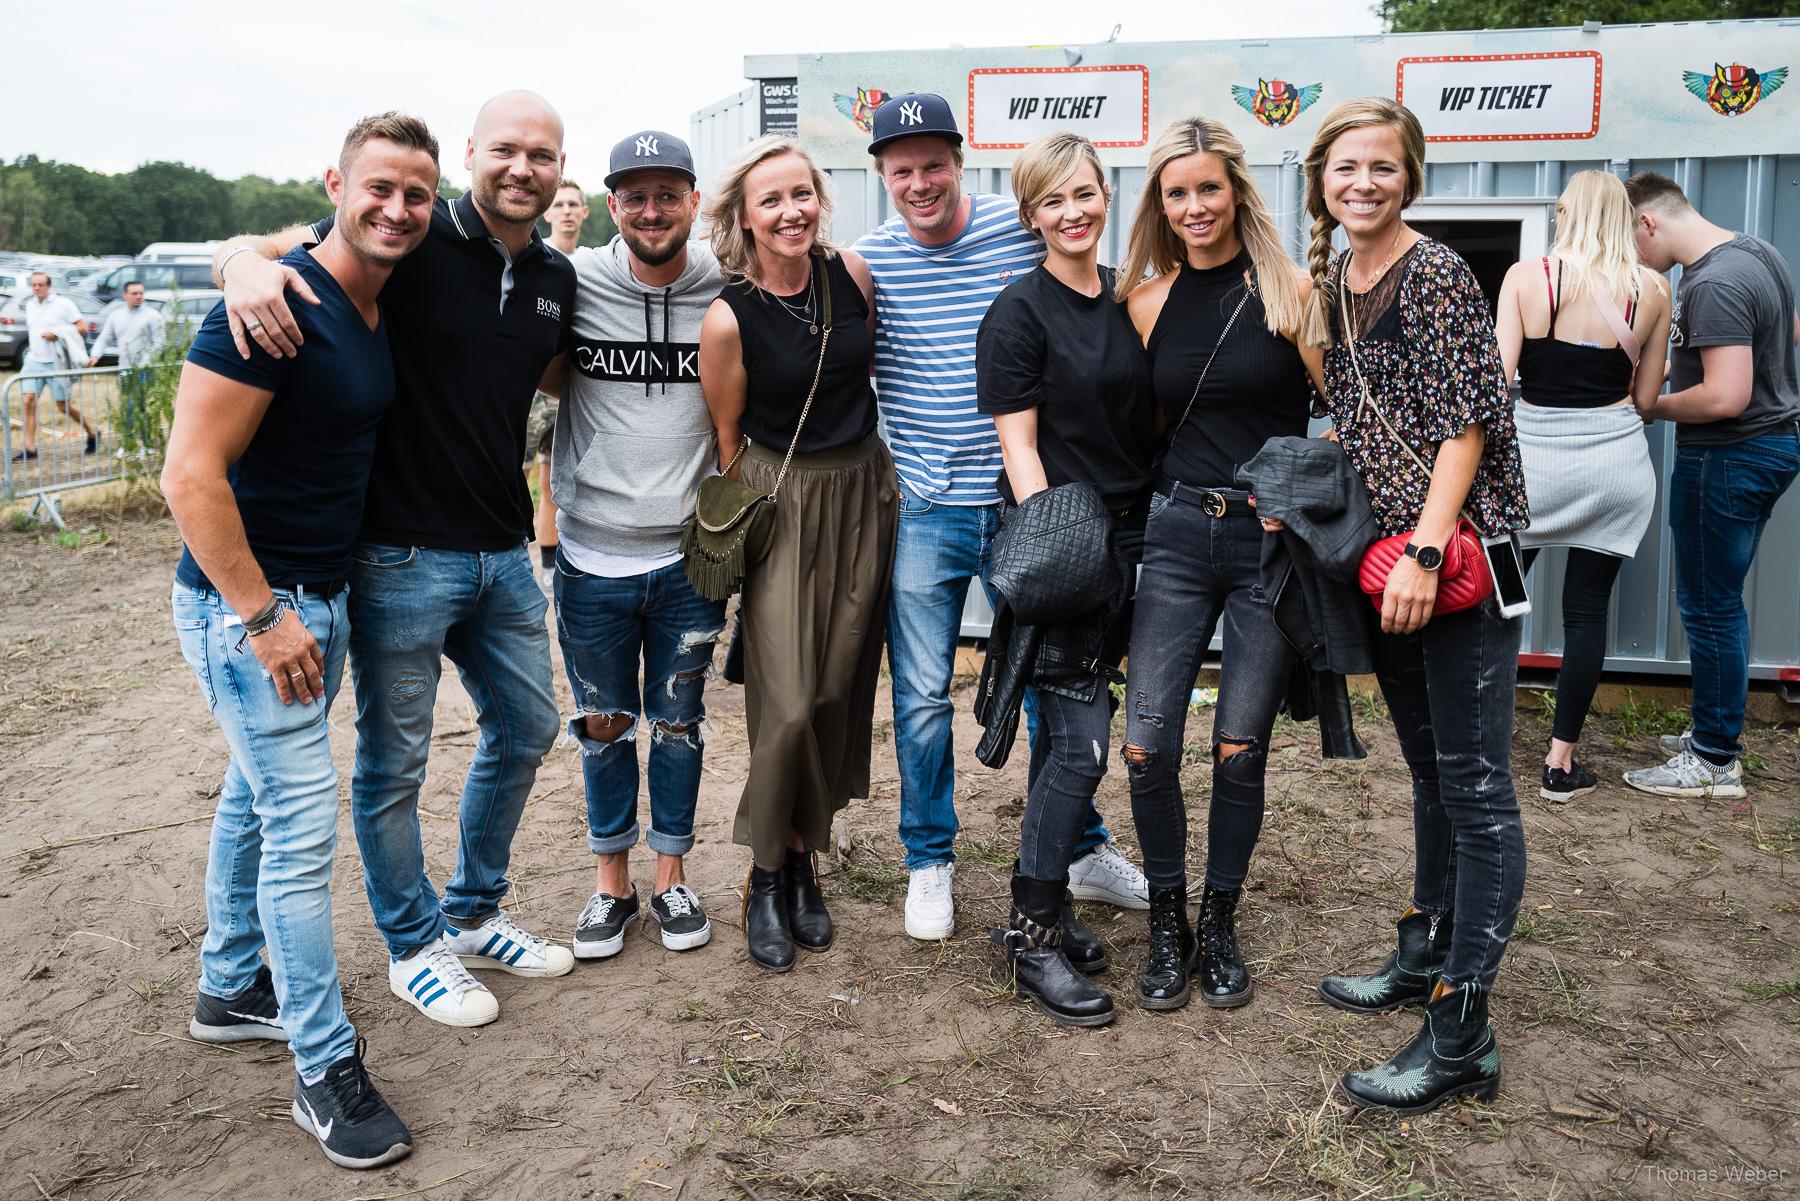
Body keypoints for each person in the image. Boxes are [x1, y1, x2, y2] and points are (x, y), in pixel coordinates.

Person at [215, 90, 578, 1029]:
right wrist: (236, 264)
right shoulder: (414, 239)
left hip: (503, 551)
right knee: (395, 765)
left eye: (542, 156)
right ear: (471, 155)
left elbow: (546, 373)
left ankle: (473, 911)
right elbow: (293, 250)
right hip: (400, 556)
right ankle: (414, 946)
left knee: (529, 727)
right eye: (506, 151)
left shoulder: (552, 275)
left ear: (559, 169)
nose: (523, 169)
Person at [161, 112, 439, 1170]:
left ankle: (232, 984)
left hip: (314, 601)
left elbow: (271, 235)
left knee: (255, 795)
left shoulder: (364, 292)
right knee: (301, 826)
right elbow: (187, 477)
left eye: (417, 194)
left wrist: (243, 248)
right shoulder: (268, 309)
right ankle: (324, 1069)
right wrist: (266, 615)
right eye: (379, 188)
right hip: (252, 610)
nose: (397, 209)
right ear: (337, 182)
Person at [854, 92, 1148, 943]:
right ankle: (929, 860)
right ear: (882, 175)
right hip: (929, 506)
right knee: (918, 693)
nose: (920, 183)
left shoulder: (1017, 229)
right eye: (901, 170)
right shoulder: (869, 260)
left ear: (960, 161)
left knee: (1057, 686)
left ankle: (1082, 849)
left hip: (1030, 506)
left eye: (934, 164)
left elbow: (1086, 276)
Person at [1297, 98, 1529, 1112]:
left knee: (1476, 786)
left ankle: (1462, 1027)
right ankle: (1421, 951)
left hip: (1460, 553)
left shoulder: (1434, 272)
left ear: (1412, 176)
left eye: (1382, 168)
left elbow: (1468, 424)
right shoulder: (1334, 278)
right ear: (1320, 178)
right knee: (1431, 770)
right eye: (1346, 168)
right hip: (1395, 555)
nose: (1363, 183)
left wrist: (1429, 550)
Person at [1114, 117, 1325, 1011]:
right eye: (1176, 192)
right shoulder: (1147, 300)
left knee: (1241, 747)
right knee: (1145, 743)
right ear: (1159, 204)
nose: (1194, 206)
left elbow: (1343, 411)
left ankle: (1222, 918)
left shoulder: (1291, 289)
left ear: (1236, 189)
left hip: (1265, 548)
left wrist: (1302, 495)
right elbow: (1149, 428)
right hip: (1174, 538)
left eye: (1208, 188)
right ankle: (1169, 919)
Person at [697, 135, 897, 973]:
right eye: (771, 200)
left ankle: (807, 857)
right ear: (744, 217)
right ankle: (765, 874)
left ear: (821, 197)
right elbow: (728, 438)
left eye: (802, 194)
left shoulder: (851, 276)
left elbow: (867, 374)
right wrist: (758, 523)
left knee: (832, 692)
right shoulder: (727, 314)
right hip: (783, 499)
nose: (791, 211)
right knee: (782, 700)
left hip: (863, 491)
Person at [976, 132, 1156, 1028]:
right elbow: (1019, 448)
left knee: (1068, 742)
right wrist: (1067, 557)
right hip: (1067, 547)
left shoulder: (1128, 299)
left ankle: (1047, 901)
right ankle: (1029, 932)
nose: (1074, 211)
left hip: (1137, 546)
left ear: (1105, 196)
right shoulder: (1020, 311)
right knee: (1083, 744)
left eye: (1085, 193)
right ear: (1031, 214)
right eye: (1054, 201)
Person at [537, 131, 725, 960]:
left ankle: (672, 876)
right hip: (591, 554)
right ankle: (611, 887)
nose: (652, 210)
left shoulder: (728, 280)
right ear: (612, 206)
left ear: (693, 199)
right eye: (634, 196)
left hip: (690, 555)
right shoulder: (572, 283)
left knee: (679, 723)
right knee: (604, 727)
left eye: (667, 193)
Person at [1620, 172, 1800, 799]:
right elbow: (1778, 333)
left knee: (1710, 606)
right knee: (1721, 599)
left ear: (1649, 223)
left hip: (1728, 457)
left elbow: (1726, 396)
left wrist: (1646, 405)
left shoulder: (1713, 282)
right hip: (1772, 445)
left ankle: (1715, 760)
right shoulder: (1753, 252)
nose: (1631, 259)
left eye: (1628, 243)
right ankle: (1715, 729)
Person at [1495, 171, 1671, 802]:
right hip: (1614, 473)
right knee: (1586, 614)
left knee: (1501, 601)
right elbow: (1647, 399)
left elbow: (1499, 382)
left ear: (1565, 213)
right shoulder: (1652, 288)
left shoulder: (1526, 277)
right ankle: (1560, 762)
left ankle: (1478, 734)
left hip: (1531, 475)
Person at [525, 179, 591, 586]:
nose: (566, 211)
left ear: (585, 212)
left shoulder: (590, 262)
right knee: (520, 472)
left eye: (574, 205)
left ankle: (550, 563)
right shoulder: (537, 258)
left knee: (554, 479)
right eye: (560, 204)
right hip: (532, 390)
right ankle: (520, 554)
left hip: (570, 388)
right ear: (548, 212)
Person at [12, 272, 98, 461]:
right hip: (34, 361)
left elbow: (82, 328)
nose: (37, 288)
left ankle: (92, 432)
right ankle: (30, 448)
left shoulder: (63, 304)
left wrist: (57, 333)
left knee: (63, 406)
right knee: (27, 401)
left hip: (56, 362)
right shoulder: (30, 305)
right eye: (34, 285)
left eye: (41, 284)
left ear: (49, 286)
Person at [88, 280, 169, 451]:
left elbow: (159, 342)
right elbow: (104, 338)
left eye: (141, 293)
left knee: (140, 406)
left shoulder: (153, 315)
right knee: (128, 406)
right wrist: (95, 355)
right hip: (125, 369)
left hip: (145, 370)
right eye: (134, 293)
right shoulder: (116, 316)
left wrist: (145, 363)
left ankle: (145, 445)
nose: (139, 296)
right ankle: (129, 445)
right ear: (125, 295)